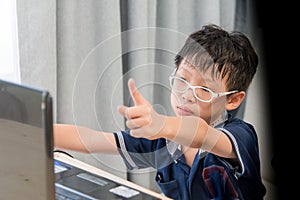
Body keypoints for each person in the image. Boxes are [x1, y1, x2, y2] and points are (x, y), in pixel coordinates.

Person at [54, 24, 266, 200]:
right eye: (182, 80)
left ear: (233, 99)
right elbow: (93, 140)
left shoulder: (241, 136)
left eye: (205, 89)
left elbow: (201, 134)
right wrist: (39, 131)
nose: (187, 95)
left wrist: (162, 125)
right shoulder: (161, 141)